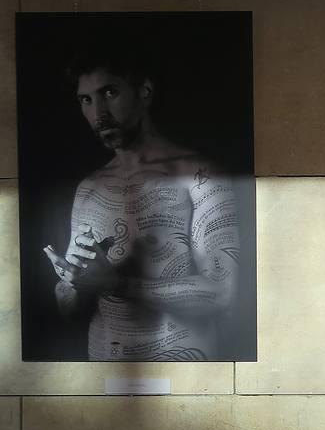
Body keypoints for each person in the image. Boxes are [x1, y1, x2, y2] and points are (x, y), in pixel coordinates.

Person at [40, 45, 242, 361]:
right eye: (86, 100)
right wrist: (73, 282)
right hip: (105, 382)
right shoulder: (89, 189)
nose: (99, 112)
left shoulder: (198, 175)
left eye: (109, 92)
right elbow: (67, 311)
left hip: (180, 375)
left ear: (144, 91)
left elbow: (222, 292)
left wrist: (116, 282)